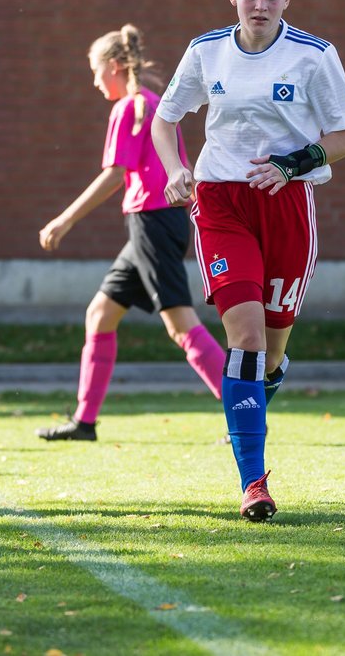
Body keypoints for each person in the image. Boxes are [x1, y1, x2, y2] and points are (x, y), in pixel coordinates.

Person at [152, 0, 345, 521]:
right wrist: (175, 168)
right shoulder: (205, 50)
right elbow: (167, 119)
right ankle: (254, 483)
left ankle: (262, 388)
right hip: (220, 201)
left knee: (267, 355)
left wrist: (296, 162)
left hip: (287, 205)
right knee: (241, 338)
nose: (261, 5)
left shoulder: (315, 56)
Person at [35, 25, 226, 441]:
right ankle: (84, 423)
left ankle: (243, 411)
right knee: (99, 315)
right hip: (159, 222)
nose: (94, 80)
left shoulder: (129, 108)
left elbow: (114, 175)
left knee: (180, 325)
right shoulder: (153, 103)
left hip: (153, 222)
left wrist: (63, 220)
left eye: (96, 70)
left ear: (115, 66)